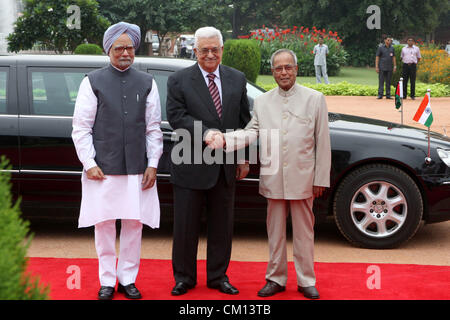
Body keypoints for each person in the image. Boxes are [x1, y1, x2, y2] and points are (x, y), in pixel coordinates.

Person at [206, 49, 331, 299]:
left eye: (288, 67)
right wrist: (224, 139)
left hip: (303, 176)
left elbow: (323, 142)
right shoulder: (263, 102)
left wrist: (320, 178)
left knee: (305, 233)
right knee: (274, 233)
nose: (283, 72)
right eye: (278, 68)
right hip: (273, 177)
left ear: (296, 69)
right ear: (272, 72)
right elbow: (251, 132)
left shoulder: (315, 99)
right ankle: (276, 278)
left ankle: (306, 280)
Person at [72, 22, 163, 300]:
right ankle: (107, 280)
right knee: (105, 225)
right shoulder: (92, 81)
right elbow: (81, 128)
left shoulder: (147, 82)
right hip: (103, 169)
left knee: (134, 225)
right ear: (108, 49)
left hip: (138, 167)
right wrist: (89, 163)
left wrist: (153, 164)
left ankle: (128, 278)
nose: (125, 52)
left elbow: (153, 128)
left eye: (129, 47)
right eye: (118, 47)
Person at [166, 26, 251, 296]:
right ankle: (184, 277)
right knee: (185, 227)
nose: (210, 54)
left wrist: (243, 156)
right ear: (195, 51)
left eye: (215, 49)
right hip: (190, 164)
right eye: (204, 50)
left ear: (222, 50)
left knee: (222, 227)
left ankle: (218, 276)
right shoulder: (179, 80)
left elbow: (243, 122)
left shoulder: (237, 79)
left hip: (225, 166)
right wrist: (205, 134)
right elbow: (177, 117)